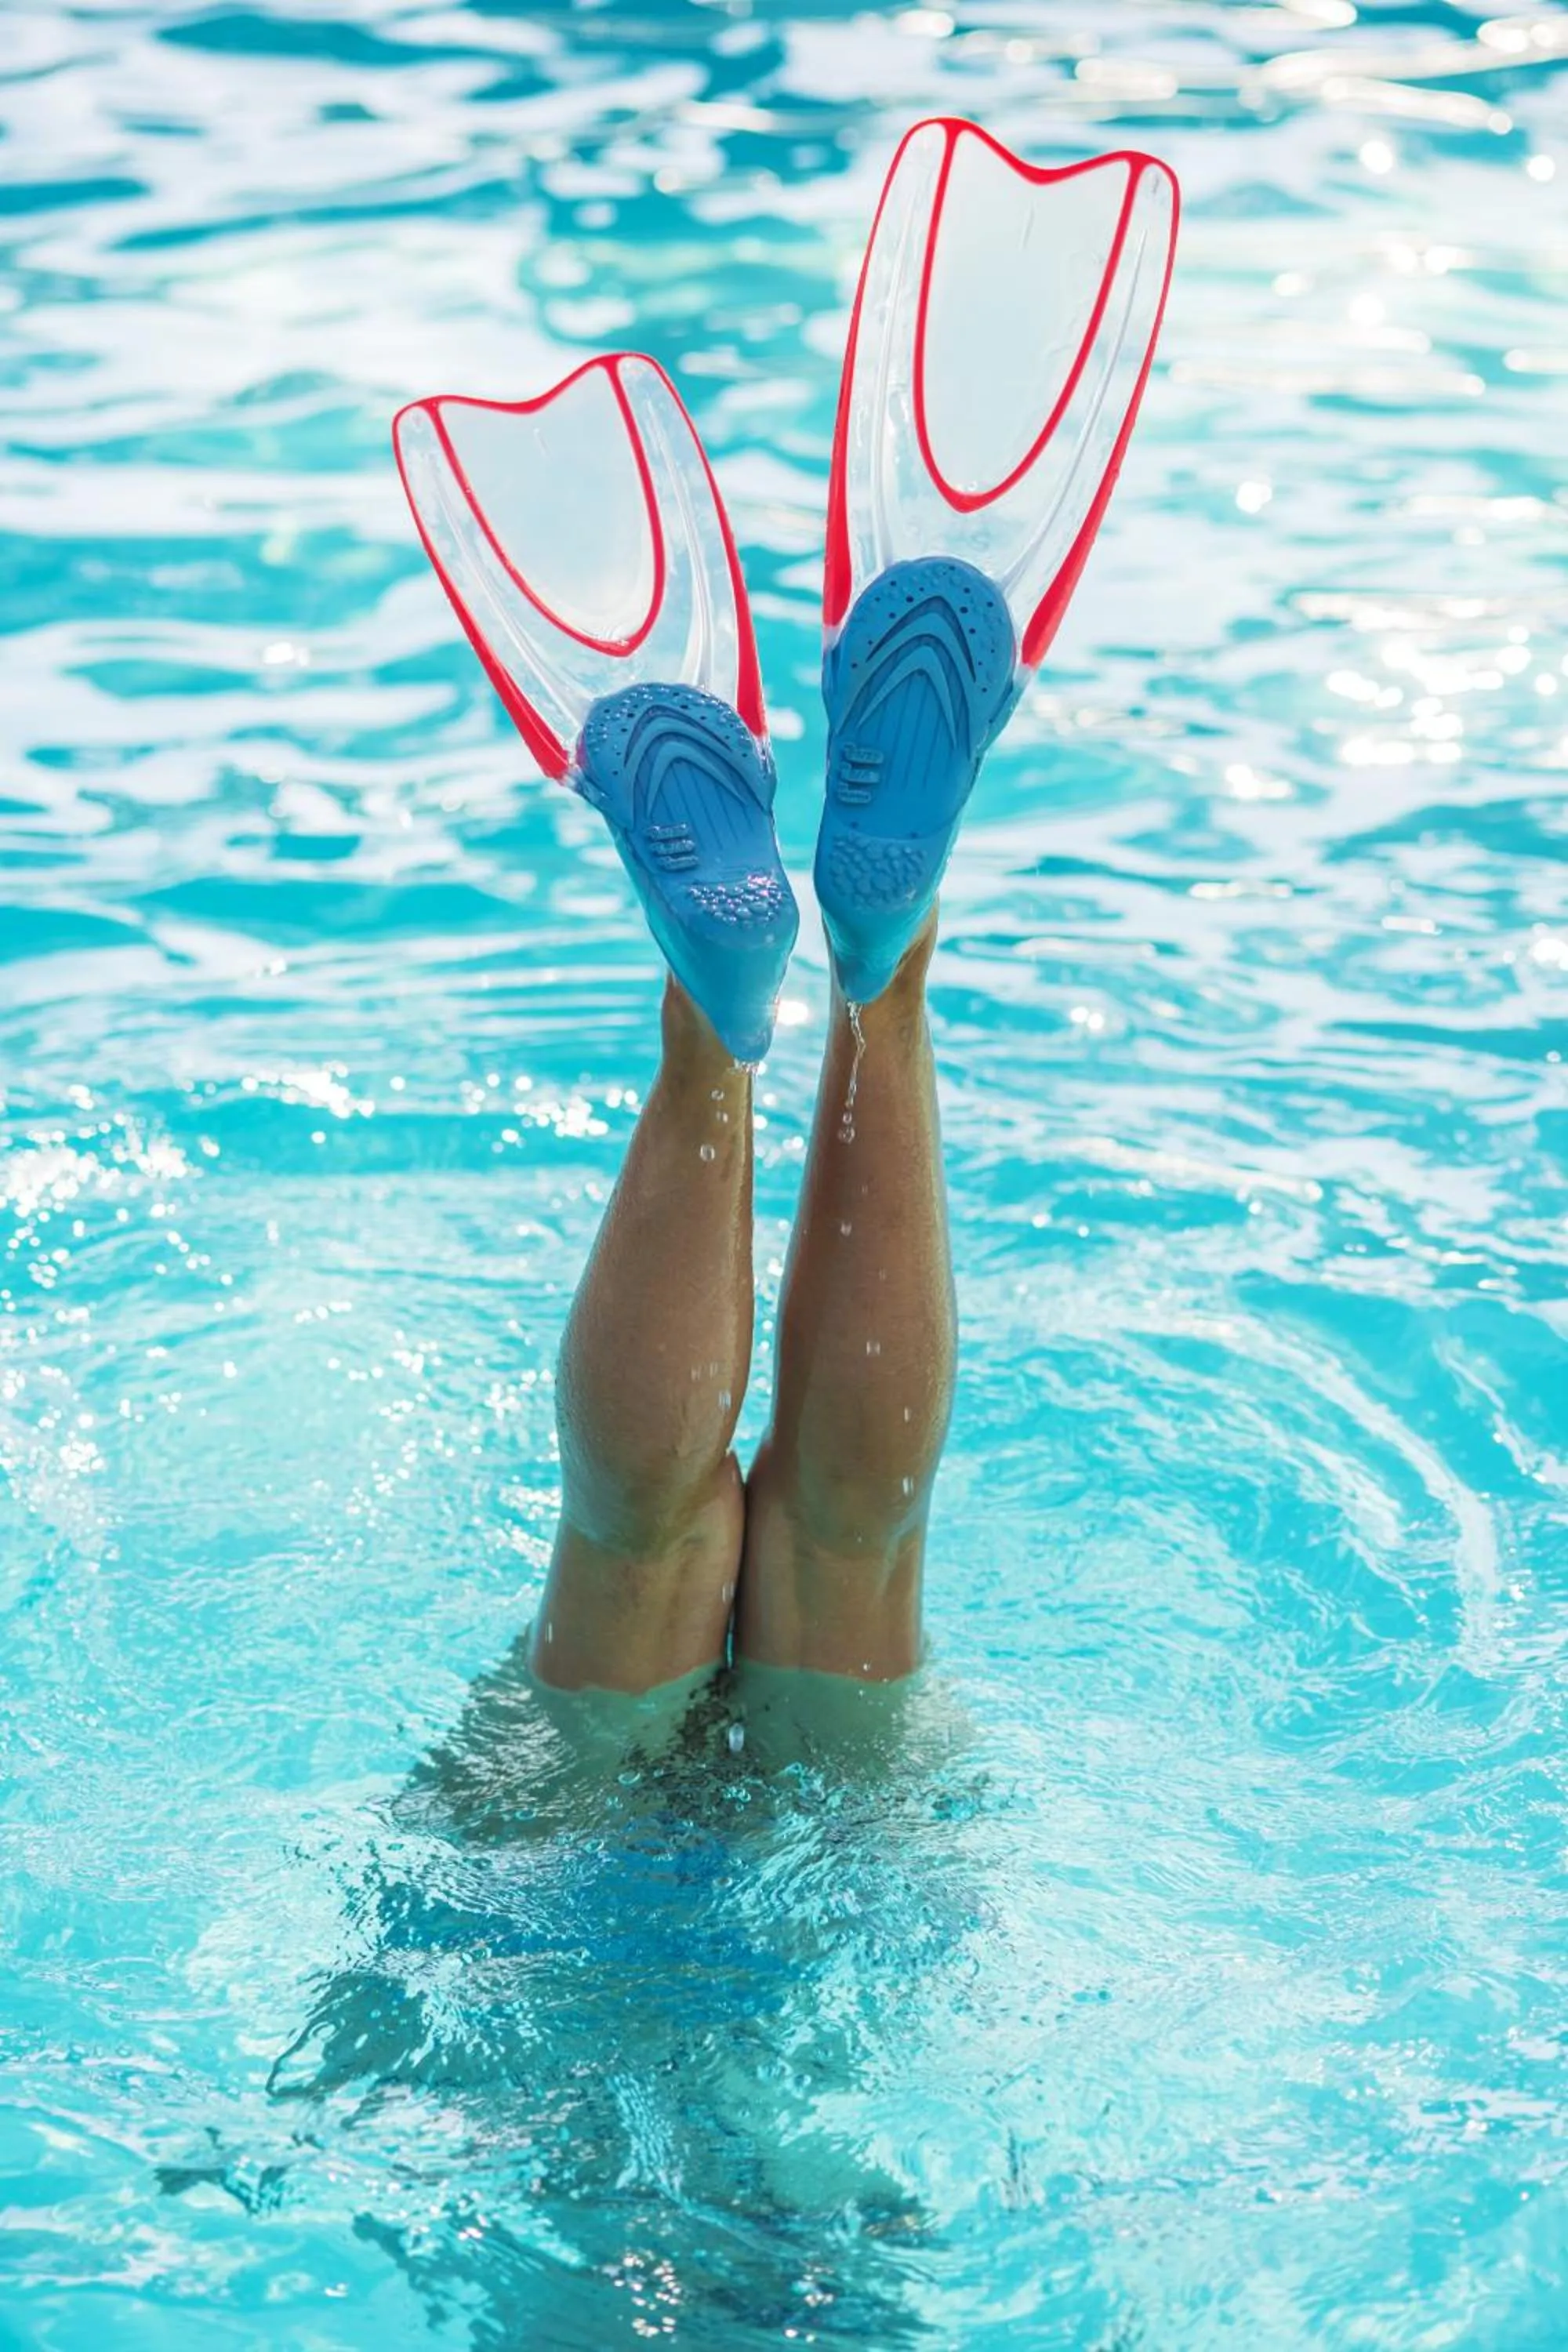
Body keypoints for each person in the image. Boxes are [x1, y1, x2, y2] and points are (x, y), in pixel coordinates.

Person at [393, 121, 1178, 1714]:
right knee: (836, 1545)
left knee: (645, 1547)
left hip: (566, 1909)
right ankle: (833, 974)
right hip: (847, 1879)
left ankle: (755, 996)